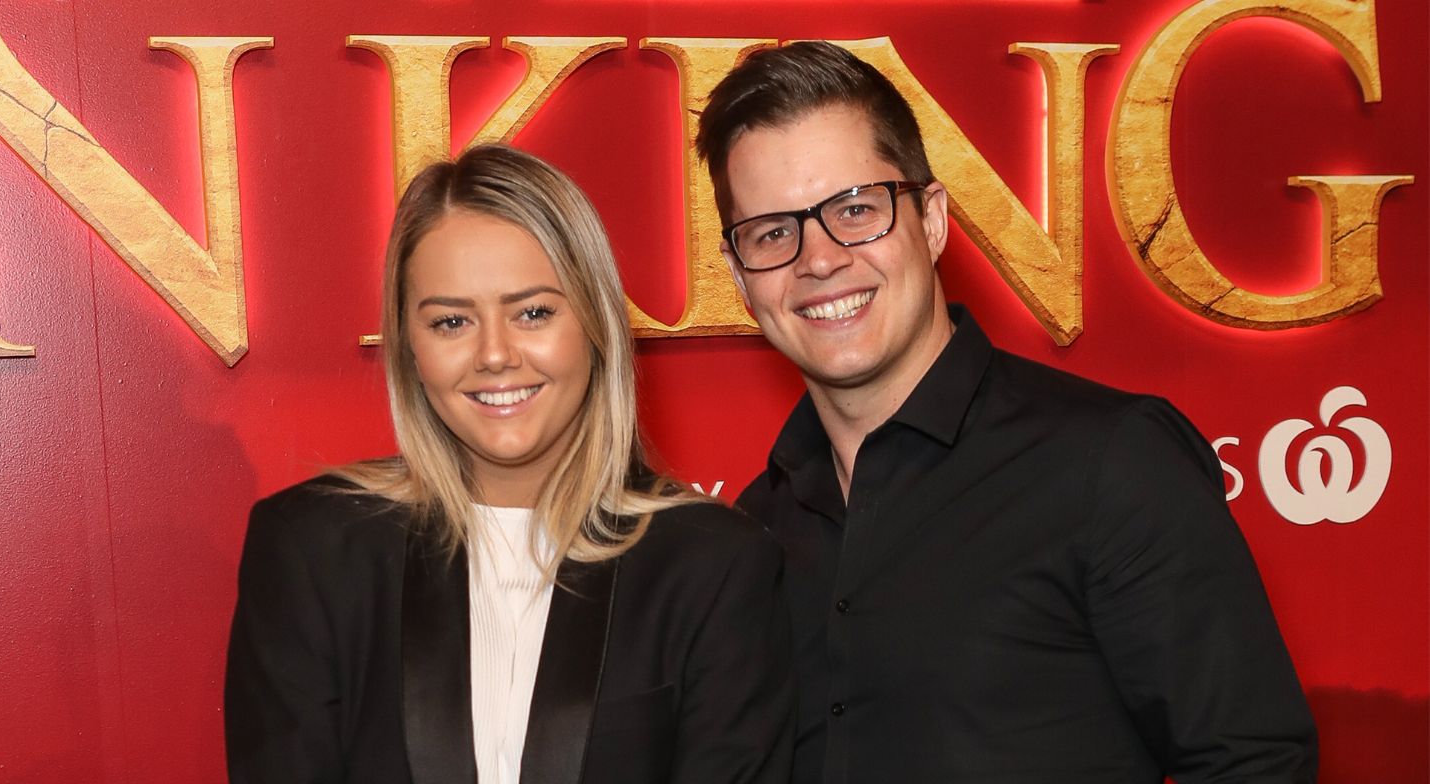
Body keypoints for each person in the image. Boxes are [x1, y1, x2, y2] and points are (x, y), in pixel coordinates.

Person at [696, 41, 1317, 783]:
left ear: (930, 220)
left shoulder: (1110, 465)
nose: (819, 258)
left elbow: (1254, 763)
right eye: (772, 232)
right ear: (738, 276)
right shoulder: (756, 531)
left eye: (855, 210)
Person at [223, 144, 793, 784]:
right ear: (410, 346)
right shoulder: (311, 551)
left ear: (596, 324)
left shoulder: (715, 565)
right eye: (451, 322)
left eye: (533, 313)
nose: (494, 354)